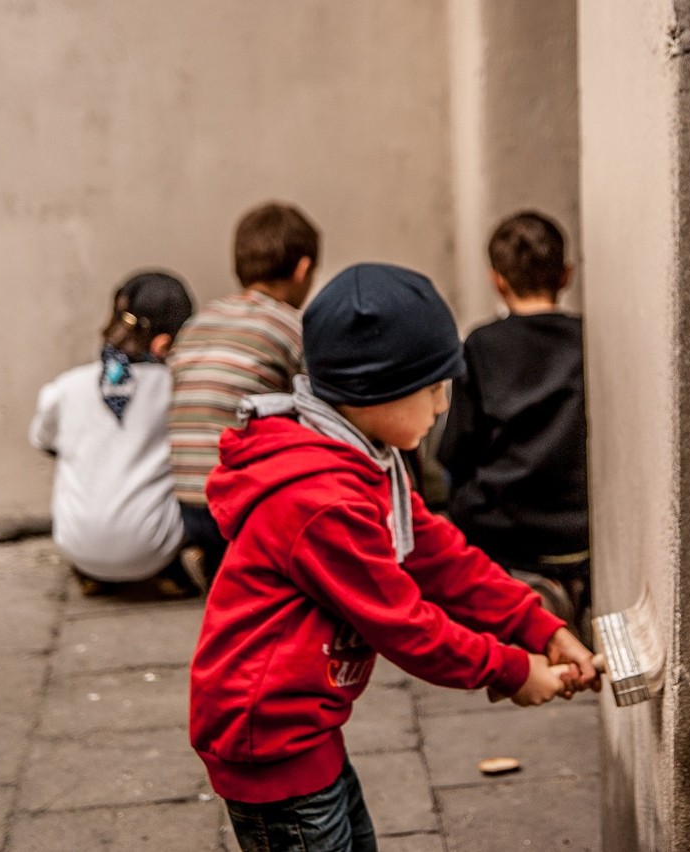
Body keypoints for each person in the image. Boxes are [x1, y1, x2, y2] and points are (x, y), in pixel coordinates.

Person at [189, 263, 600, 852]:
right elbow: (405, 625)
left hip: (306, 726)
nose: (440, 408)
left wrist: (537, 624)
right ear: (372, 390)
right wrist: (511, 671)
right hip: (270, 742)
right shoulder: (321, 499)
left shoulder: (366, 459)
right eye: (431, 389)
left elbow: (440, 556)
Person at [437, 210, 591, 642]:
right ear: (566, 275)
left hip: (507, 525)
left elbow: (456, 447)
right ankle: (574, 590)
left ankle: (530, 596)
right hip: (580, 525)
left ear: (497, 280)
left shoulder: (482, 345)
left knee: (460, 500)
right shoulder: (587, 338)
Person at [167, 202, 320, 590]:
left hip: (188, 501)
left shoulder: (198, 322)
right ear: (303, 269)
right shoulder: (291, 326)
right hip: (245, 505)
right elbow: (319, 407)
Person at [29, 271, 197, 597]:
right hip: (154, 548)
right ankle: (167, 571)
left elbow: (43, 442)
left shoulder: (65, 388)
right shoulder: (175, 389)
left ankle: (93, 573)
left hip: (78, 545)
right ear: (170, 340)